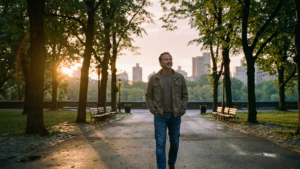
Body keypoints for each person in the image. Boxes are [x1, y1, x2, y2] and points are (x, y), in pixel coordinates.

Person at [145, 52, 189, 169]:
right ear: (160, 63)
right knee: (160, 144)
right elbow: (148, 96)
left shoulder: (179, 77)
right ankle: (161, 167)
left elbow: (184, 95)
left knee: (174, 143)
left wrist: (182, 110)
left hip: (175, 115)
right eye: (166, 59)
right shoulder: (154, 78)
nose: (169, 61)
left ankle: (171, 163)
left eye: (170, 59)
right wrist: (153, 110)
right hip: (160, 116)